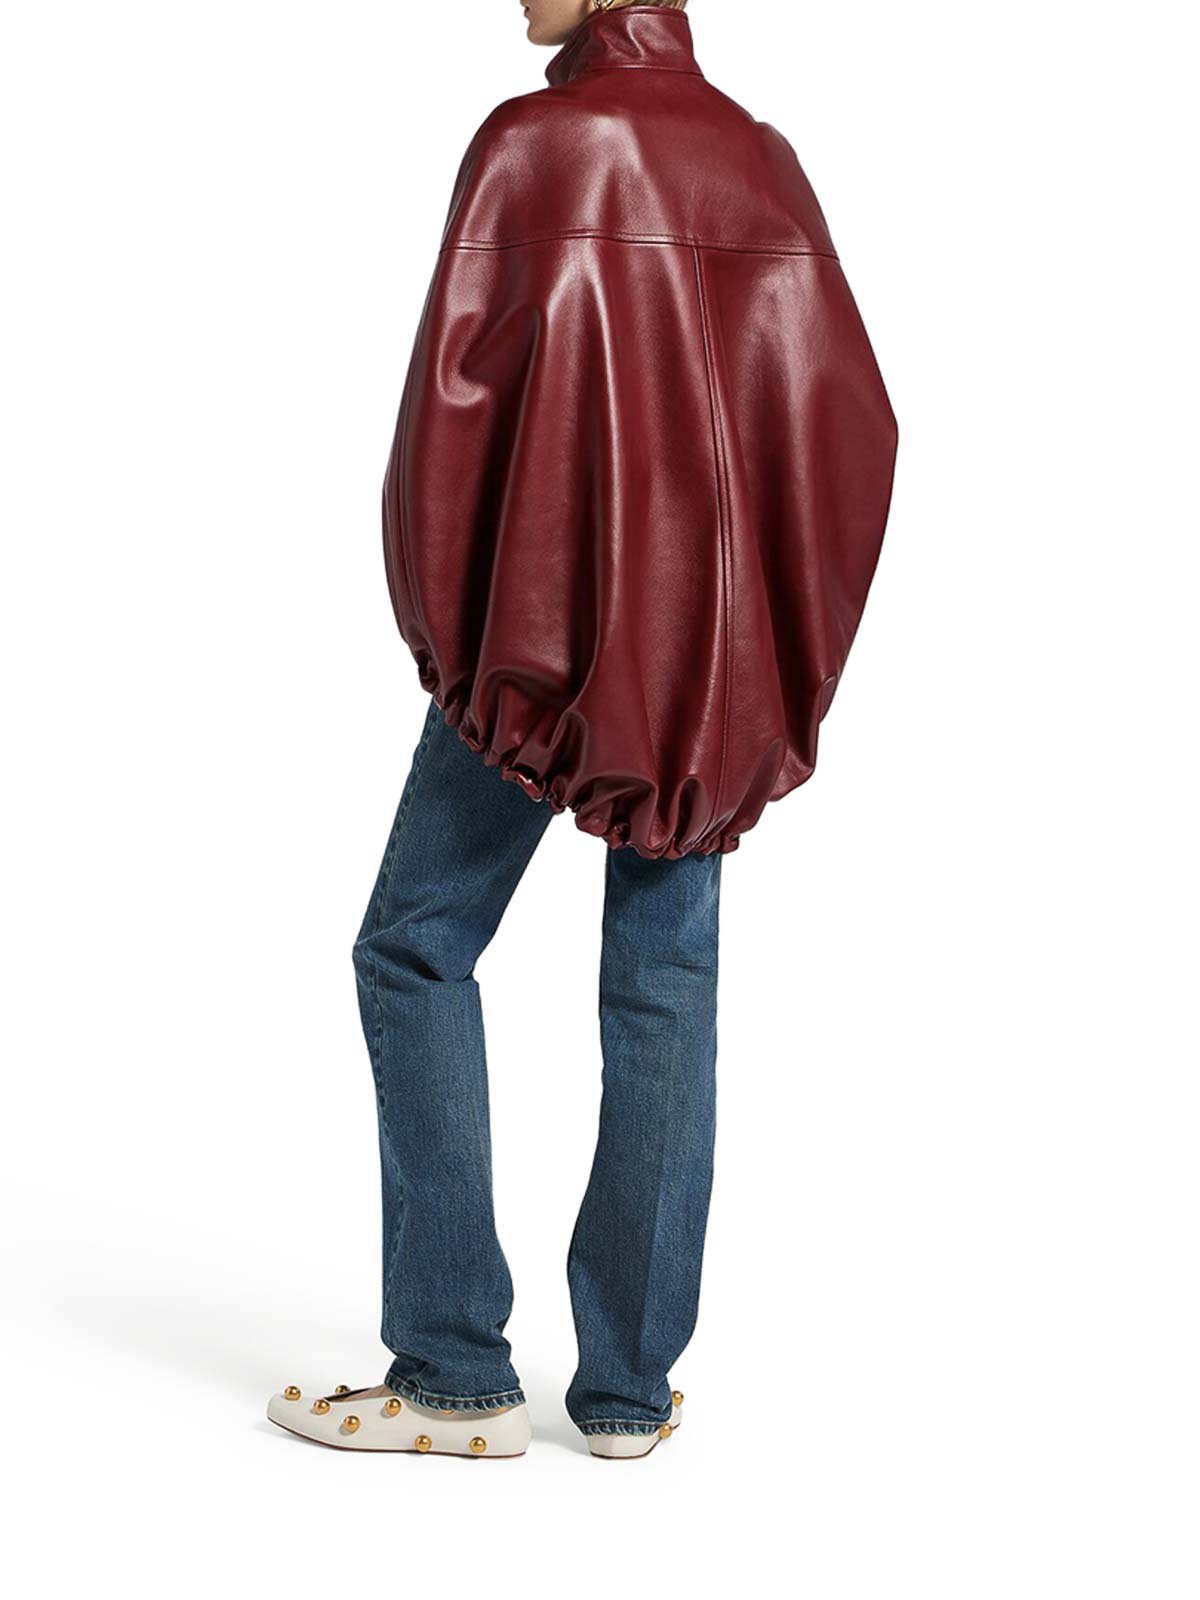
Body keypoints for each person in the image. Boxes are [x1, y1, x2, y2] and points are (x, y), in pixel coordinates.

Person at [268, 0, 896, 1461]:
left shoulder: (535, 143)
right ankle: (625, 1393)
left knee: (414, 947)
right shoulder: (762, 161)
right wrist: (770, 653)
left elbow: (453, 417)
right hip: (705, 671)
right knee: (665, 985)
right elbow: (853, 426)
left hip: (538, 648)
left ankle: (451, 1373)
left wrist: (458, 641)